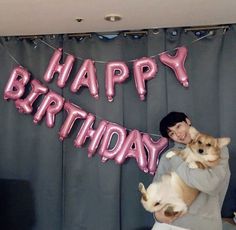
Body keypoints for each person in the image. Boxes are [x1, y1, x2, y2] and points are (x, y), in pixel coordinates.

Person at [151, 111, 231, 230]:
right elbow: (156, 192)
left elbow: (211, 185)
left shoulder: (216, 147)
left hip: (201, 225)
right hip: (166, 224)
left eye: (179, 126)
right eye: (172, 133)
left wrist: (179, 161)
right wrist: (157, 215)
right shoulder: (168, 156)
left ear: (187, 121)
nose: (178, 134)